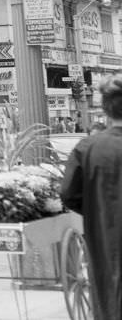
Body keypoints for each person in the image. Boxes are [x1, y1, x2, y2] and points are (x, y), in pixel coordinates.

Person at [61, 74, 122, 320]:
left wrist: (98, 208)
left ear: (106, 110)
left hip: (106, 238)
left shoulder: (87, 148)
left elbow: (68, 194)